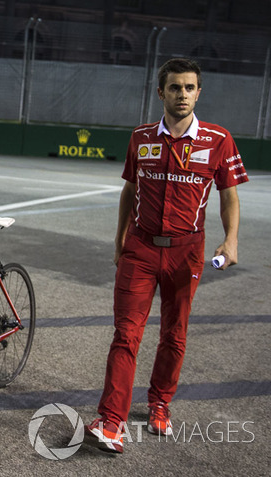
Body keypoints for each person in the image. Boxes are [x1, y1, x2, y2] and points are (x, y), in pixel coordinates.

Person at [84, 58, 249, 454]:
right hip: (140, 249)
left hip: (187, 253)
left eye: (190, 87)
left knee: (174, 334)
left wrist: (231, 240)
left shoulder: (218, 139)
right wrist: (120, 238)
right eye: (175, 88)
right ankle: (112, 422)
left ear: (198, 92)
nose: (182, 95)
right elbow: (129, 190)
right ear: (161, 92)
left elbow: (229, 196)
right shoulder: (141, 136)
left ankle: (160, 403)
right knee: (126, 334)